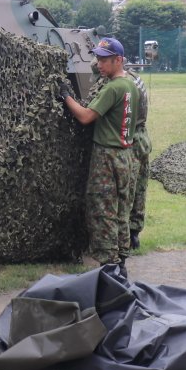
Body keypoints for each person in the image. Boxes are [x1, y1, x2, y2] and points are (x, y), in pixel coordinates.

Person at [60, 37, 140, 271]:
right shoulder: (131, 86)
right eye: (98, 58)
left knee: (102, 209)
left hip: (107, 156)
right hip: (126, 155)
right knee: (121, 209)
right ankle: (121, 257)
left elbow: (85, 117)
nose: (99, 64)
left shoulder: (113, 88)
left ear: (119, 60)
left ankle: (109, 263)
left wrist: (66, 97)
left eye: (105, 60)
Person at [127, 70, 151, 250]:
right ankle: (134, 232)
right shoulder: (133, 76)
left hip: (131, 138)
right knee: (139, 186)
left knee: (129, 187)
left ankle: (128, 234)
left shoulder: (123, 82)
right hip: (142, 136)